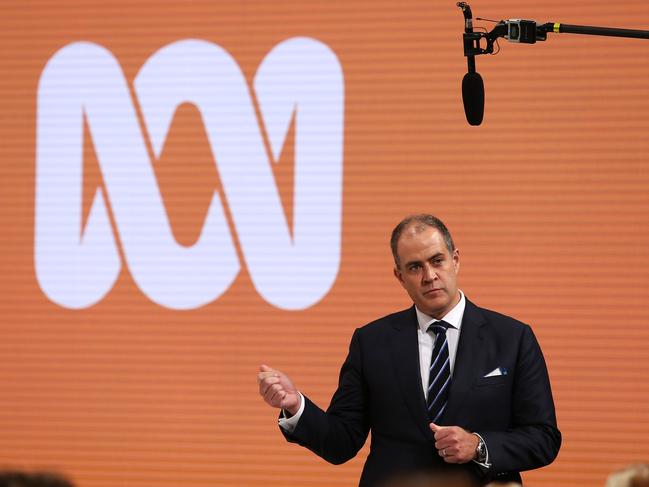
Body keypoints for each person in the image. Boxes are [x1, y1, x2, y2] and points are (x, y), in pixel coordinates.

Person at [258, 214, 561, 486]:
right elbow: (340, 442)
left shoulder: (512, 337)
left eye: (437, 260)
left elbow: (543, 438)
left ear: (456, 260)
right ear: (400, 277)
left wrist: (478, 446)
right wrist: (296, 405)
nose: (429, 276)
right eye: (415, 267)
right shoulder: (371, 342)